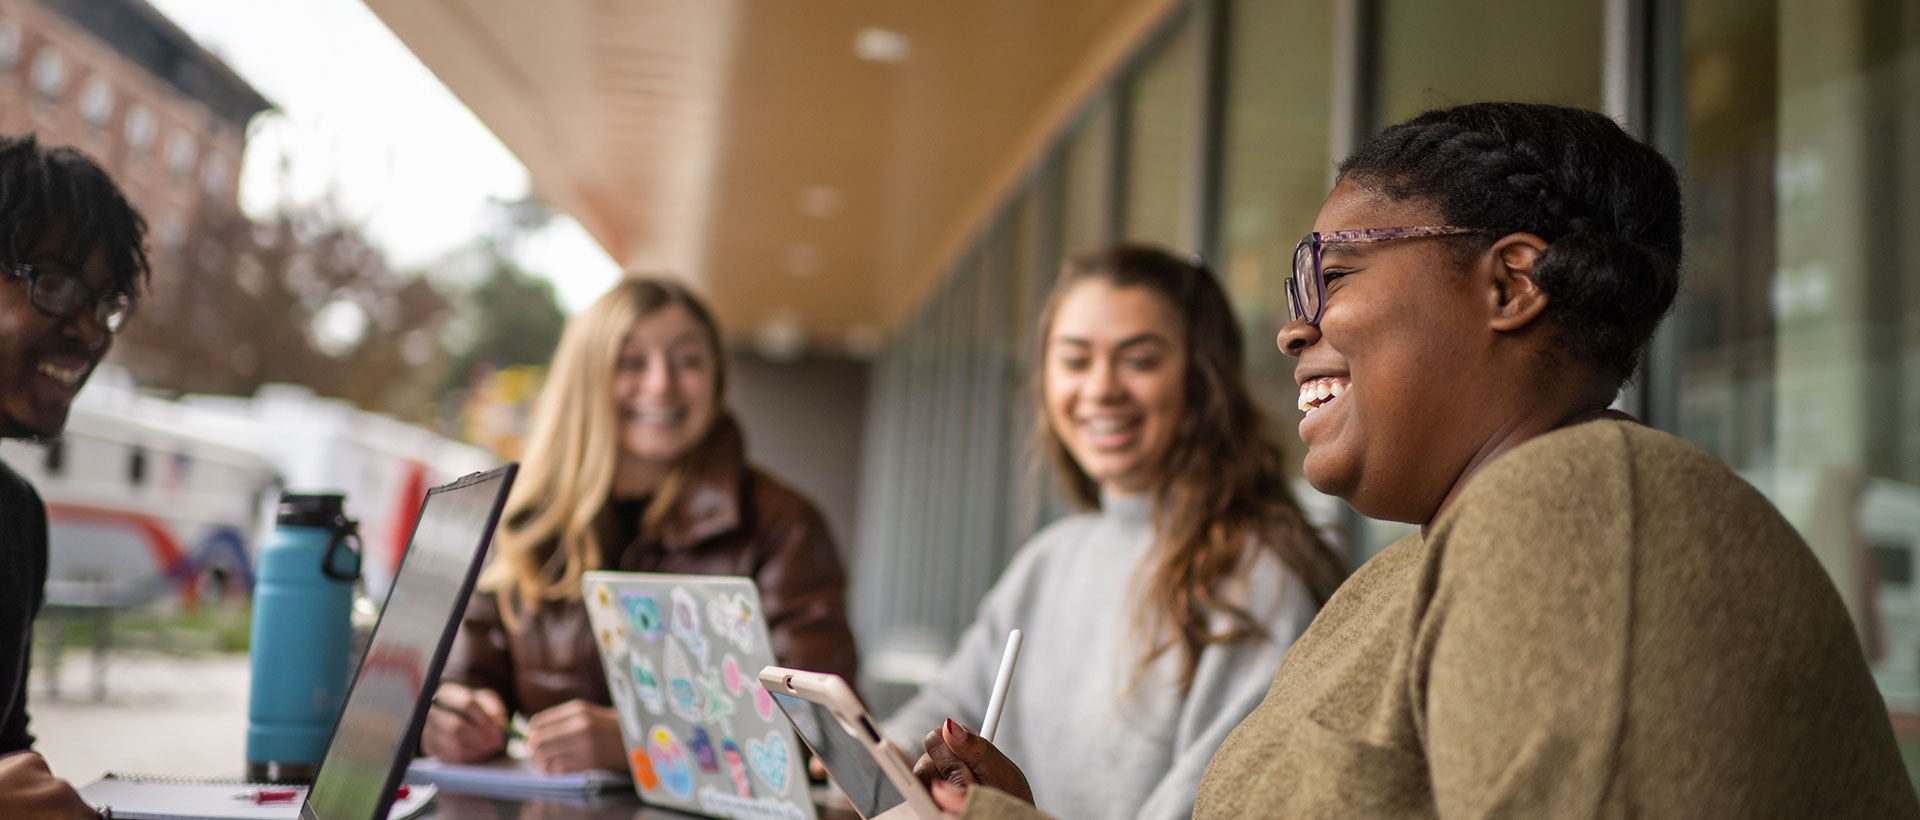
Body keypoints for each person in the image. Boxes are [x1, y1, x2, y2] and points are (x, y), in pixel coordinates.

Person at [915, 102, 1920, 818]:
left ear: (1512, 282)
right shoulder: (1411, 574)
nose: (1292, 327)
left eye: (1334, 272)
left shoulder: (1585, 511)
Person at [883, 245, 1344, 820]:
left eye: (1140, 360)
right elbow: (946, 706)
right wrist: (876, 759)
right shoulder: (1049, 559)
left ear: (1202, 382)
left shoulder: (1259, 581)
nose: (1101, 388)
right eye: (1076, 360)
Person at [423, 277, 859, 773]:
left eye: (688, 361)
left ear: (716, 379)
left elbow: (826, 736)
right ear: (584, 383)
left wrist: (646, 742)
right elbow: (462, 682)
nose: (661, 384)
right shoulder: (524, 523)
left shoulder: (784, 526)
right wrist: (449, 720)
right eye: (631, 363)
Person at [0, 135, 150, 818]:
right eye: (55, 285)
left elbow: (10, 759)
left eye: (106, 302)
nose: (91, 331)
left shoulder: (15, 515)